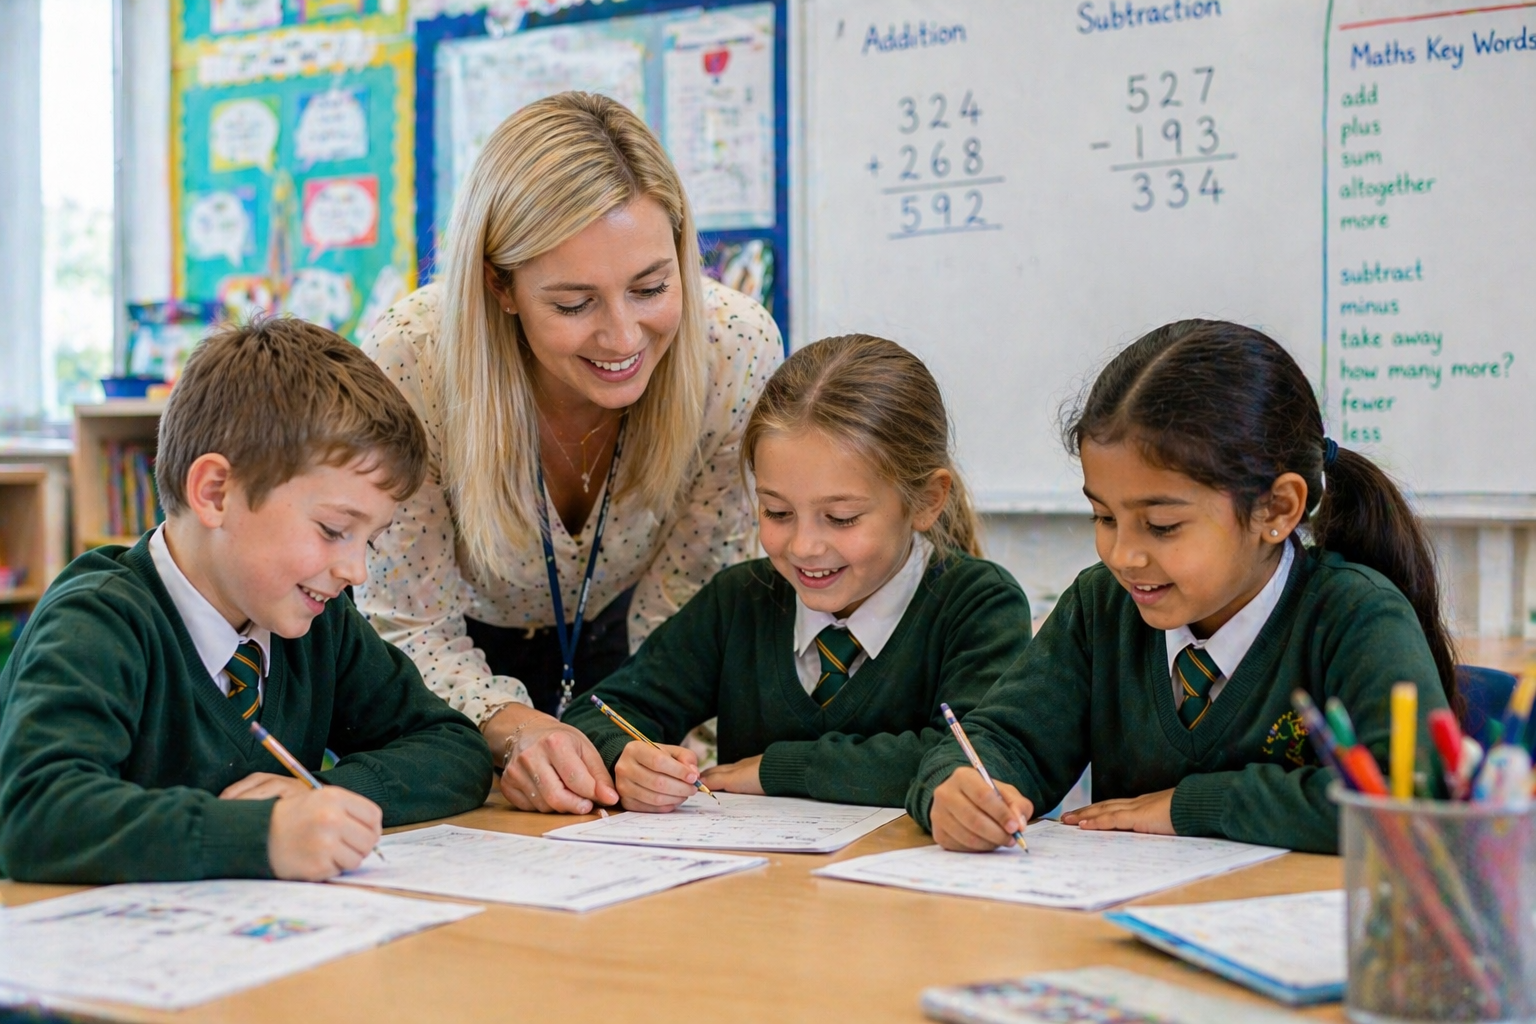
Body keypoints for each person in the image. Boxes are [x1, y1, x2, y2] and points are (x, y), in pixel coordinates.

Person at [358, 93, 782, 815]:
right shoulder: (412, 359)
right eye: (574, 304)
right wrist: (513, 727)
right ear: (501, 285)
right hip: (444, 664)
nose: (622, 338)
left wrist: (656, 739)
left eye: (651, 287)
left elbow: (693, 598)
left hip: (635, 652)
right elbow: (404, 615)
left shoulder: (733, 351)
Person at [911, 319, 1455, 854]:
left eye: (1163, 526)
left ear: (1277, 509)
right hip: (1116, 931)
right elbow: (1003, 741)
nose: (1122, 555)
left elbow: (1411, 801)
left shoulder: (1354, 615)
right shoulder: (1101, 607)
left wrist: (1192, 806)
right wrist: (954, 789)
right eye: (1103, 517)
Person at [0, 319, 492, 883]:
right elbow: (37, 813)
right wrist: (263, 835)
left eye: (370, 539)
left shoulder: (319, 623)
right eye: (334, 529)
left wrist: (321, 794)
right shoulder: (97, 622)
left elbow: (455, 750)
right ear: (214, 493)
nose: (354, 569)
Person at [563, 335, 1033, 809]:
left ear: (928, 500)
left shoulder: (979, 605)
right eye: (777, 512)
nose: (805, 547)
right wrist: (624, 755)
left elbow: (977, 760)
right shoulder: (740, 601)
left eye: (842, 517)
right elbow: (598, 715)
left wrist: (779, 769)